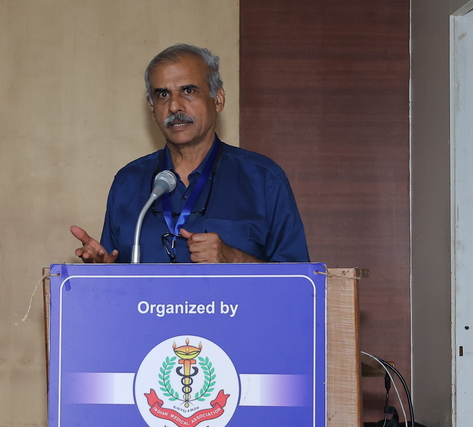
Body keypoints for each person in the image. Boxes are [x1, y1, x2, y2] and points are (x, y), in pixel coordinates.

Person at [70, 44, 309, 263]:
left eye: (188, 91)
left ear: (218, 99)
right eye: (163, 94)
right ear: (152, 108)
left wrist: (234, 259)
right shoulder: (128, 182)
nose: (174, 106)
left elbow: (300, 285)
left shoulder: (263, 179)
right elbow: (117, 283)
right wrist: (105, 273)